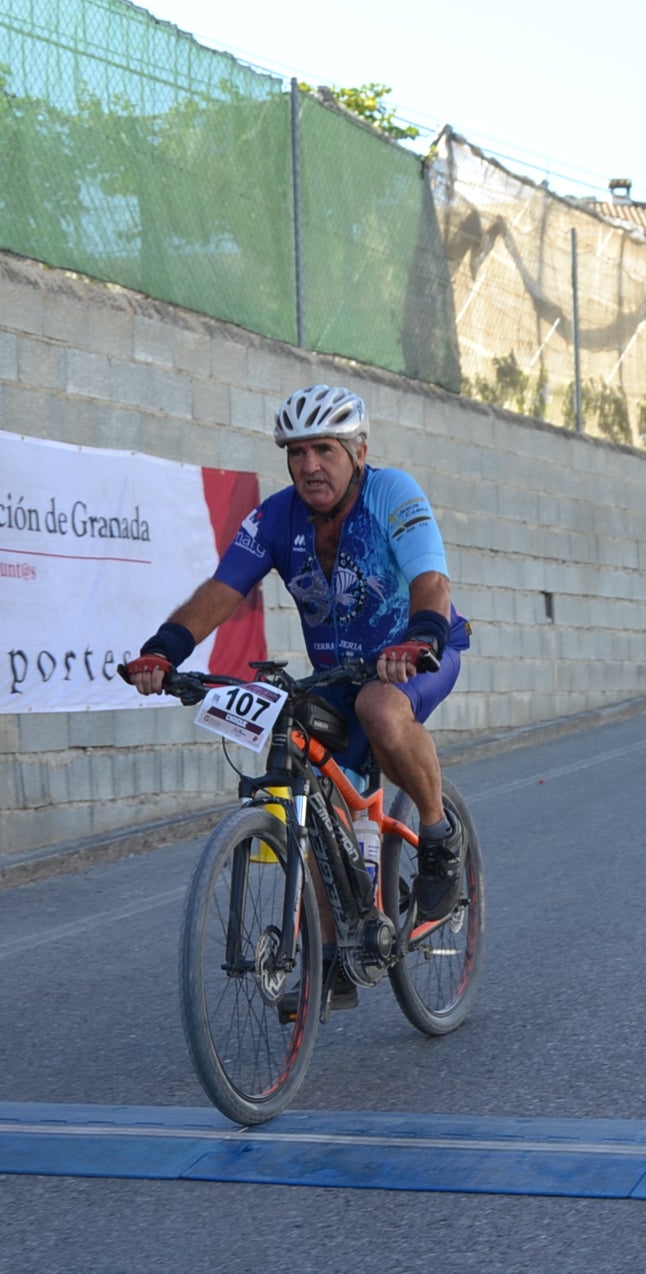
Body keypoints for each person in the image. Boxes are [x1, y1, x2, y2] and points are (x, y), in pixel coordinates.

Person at [124, 384, 472, 923]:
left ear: (359, 451)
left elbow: (431, 579)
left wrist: (422, 635)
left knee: (379, 708)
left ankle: (437, 834)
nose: (309, 465)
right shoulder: (275, 519)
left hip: (416, 654)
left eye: (324, 449)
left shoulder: (393, 494)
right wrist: (164, 649)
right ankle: (328, 959)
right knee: (304, 791)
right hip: (338, 674)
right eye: (296, 452)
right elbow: (222, 590)